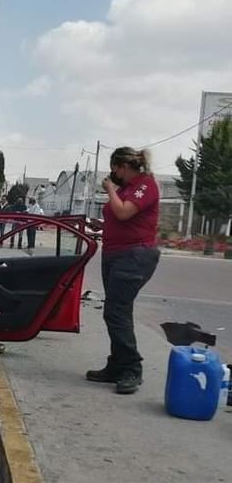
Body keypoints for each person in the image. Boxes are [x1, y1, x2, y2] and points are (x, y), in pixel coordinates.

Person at [86, 147, 160, 395]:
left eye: (115, 168)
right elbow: (119, 217)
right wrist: (102, 225)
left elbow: (124, 211)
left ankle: (131, 368)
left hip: (134, 255)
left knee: (118, 312)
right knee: (114, 312)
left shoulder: (144, 185)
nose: (113, 173)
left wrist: (110, 189)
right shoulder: (128, 189)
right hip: (117, 254)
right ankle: (117, 365)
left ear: (124, 166)